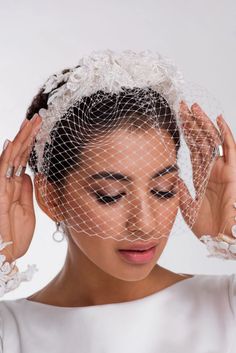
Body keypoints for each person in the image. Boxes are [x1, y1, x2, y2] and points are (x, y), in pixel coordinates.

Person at [0, 49, 235, 352]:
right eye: (110, 195)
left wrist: (232, 236)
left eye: (163, 189)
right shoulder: (11, 332)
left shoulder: (226, 306)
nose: (145, 224)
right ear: (51, 196)